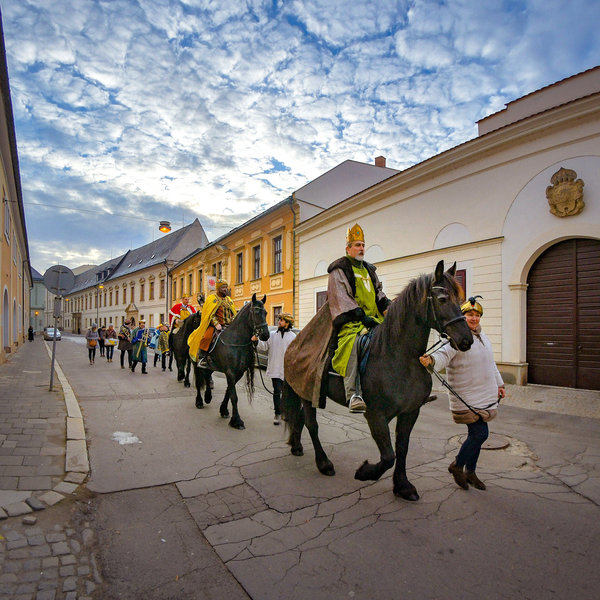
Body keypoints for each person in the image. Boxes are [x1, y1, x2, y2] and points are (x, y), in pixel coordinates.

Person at [419, 296, 506, 491]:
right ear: (462, 316)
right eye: (469, 315)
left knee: (476, 435)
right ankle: (457, 466)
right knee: (480, 434)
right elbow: (443, 354)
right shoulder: (456, 339)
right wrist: (432, 360)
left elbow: (490, 364)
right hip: (467, 396)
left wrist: (500, 384)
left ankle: (470, 472)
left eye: (476, 315)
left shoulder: (484, 338)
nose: (473, 319)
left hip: (485, 395)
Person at [330, 224, 390, 413]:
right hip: (352, 323)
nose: (362, 248)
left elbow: (379, 294)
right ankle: (354, 393)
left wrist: (389, 309)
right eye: (357, 245)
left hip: (375, 319)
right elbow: (341, 297)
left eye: (363, 245)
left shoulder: (369, 270)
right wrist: (362, 318)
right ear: (348, 248)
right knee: (357, 343)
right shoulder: (339, 269)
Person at [253, 313, 297, 425]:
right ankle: (277, 414)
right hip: (275, 368)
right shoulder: (272, 335)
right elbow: (264, 346)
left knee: (286, 393)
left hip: (287, 371)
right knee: (277, 391)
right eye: (279, 320)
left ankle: (285, 412)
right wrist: (256, 341)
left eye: (282, 320)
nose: (279, 322)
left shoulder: (293, 337)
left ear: (287, 323)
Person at [188, 280, 237, 365]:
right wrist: (216, 323)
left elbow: (233, 313)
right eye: (223, 287)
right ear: (218, 289)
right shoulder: (212, 298)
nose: (225, 289)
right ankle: (202, 357)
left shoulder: (229, 299)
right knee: (206, 337)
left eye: (226, 287)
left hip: (229, 326)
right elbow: (210, 313)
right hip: (215, 326)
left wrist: (234, 320)